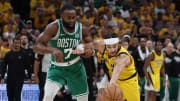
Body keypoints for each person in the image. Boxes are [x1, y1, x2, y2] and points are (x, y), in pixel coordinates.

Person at [33, 3, 93, 101]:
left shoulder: (82, 29)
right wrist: (53, 49)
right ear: (61, 17)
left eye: (73, 17)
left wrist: (89, 52)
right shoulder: (53, 27)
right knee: (47, 96)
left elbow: (91, 46)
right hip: (57, 67)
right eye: (69, 18)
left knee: (83, 98)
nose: (71, 21)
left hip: (76, 67)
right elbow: (36, 46)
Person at [93, 33, 140, 101]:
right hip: (114, 79)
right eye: (109, 47)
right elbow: (90, 45)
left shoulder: (123, 56)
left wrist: (112, 83)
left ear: (118, 44)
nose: (112, 50)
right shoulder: (102, 48)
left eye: (114, 46)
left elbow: (118, 69)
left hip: (129, 82)